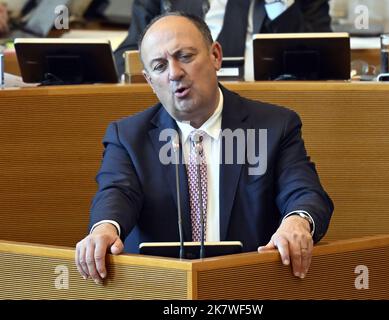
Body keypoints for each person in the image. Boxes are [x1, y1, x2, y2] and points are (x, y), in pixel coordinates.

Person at [75, 12, 333, 285]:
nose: (174, 73)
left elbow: (305, 193)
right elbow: (117, 192)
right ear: (150, 81)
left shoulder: (274, 127)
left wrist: (297, 221)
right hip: (163, 289)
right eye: (160, 66)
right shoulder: (128, 137)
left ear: (215, 56)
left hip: (249, 286)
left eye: (185, 56)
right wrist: (104, 227)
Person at [114, 0, 332, 79]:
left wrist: (278, 4)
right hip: (183, 106)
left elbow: (324, 65)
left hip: (268, 106)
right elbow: (129, 55)